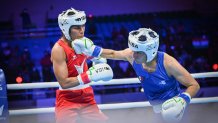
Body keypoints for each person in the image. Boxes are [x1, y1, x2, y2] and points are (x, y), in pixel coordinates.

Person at [72, 28, 200, 123]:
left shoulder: (168, 63)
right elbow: (112, 54)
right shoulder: (132, 55)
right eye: (133, 51)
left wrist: (183, 99)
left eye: (137, 52)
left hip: (176, 109)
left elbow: (194, 85)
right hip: (156, 109)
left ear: (150, 52)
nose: (133, 55)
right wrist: (91, 49)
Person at [50, 8, 113, 123]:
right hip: (67, 98)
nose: (82, 31)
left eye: (83, 26)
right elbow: (64, 83)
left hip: (87, 95)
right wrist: (89, 76)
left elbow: (99, 57)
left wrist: (98, 60)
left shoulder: (82, 43)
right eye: (77, 27)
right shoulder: (58, 49)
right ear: (65, 29)